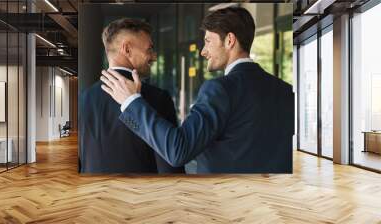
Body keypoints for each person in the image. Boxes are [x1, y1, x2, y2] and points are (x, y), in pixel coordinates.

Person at [100, 7, 294, 173]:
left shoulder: (219, 89)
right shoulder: (286, 91)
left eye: (208, 41)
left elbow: (178, 150)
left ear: (230, 40)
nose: (203, 51)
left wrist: (131, 101)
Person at [79, 18, 185, 173]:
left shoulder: (84, 98)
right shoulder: (158, 99)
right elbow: (169, 166)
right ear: (127, 49)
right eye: (149, 49)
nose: (154, 57)